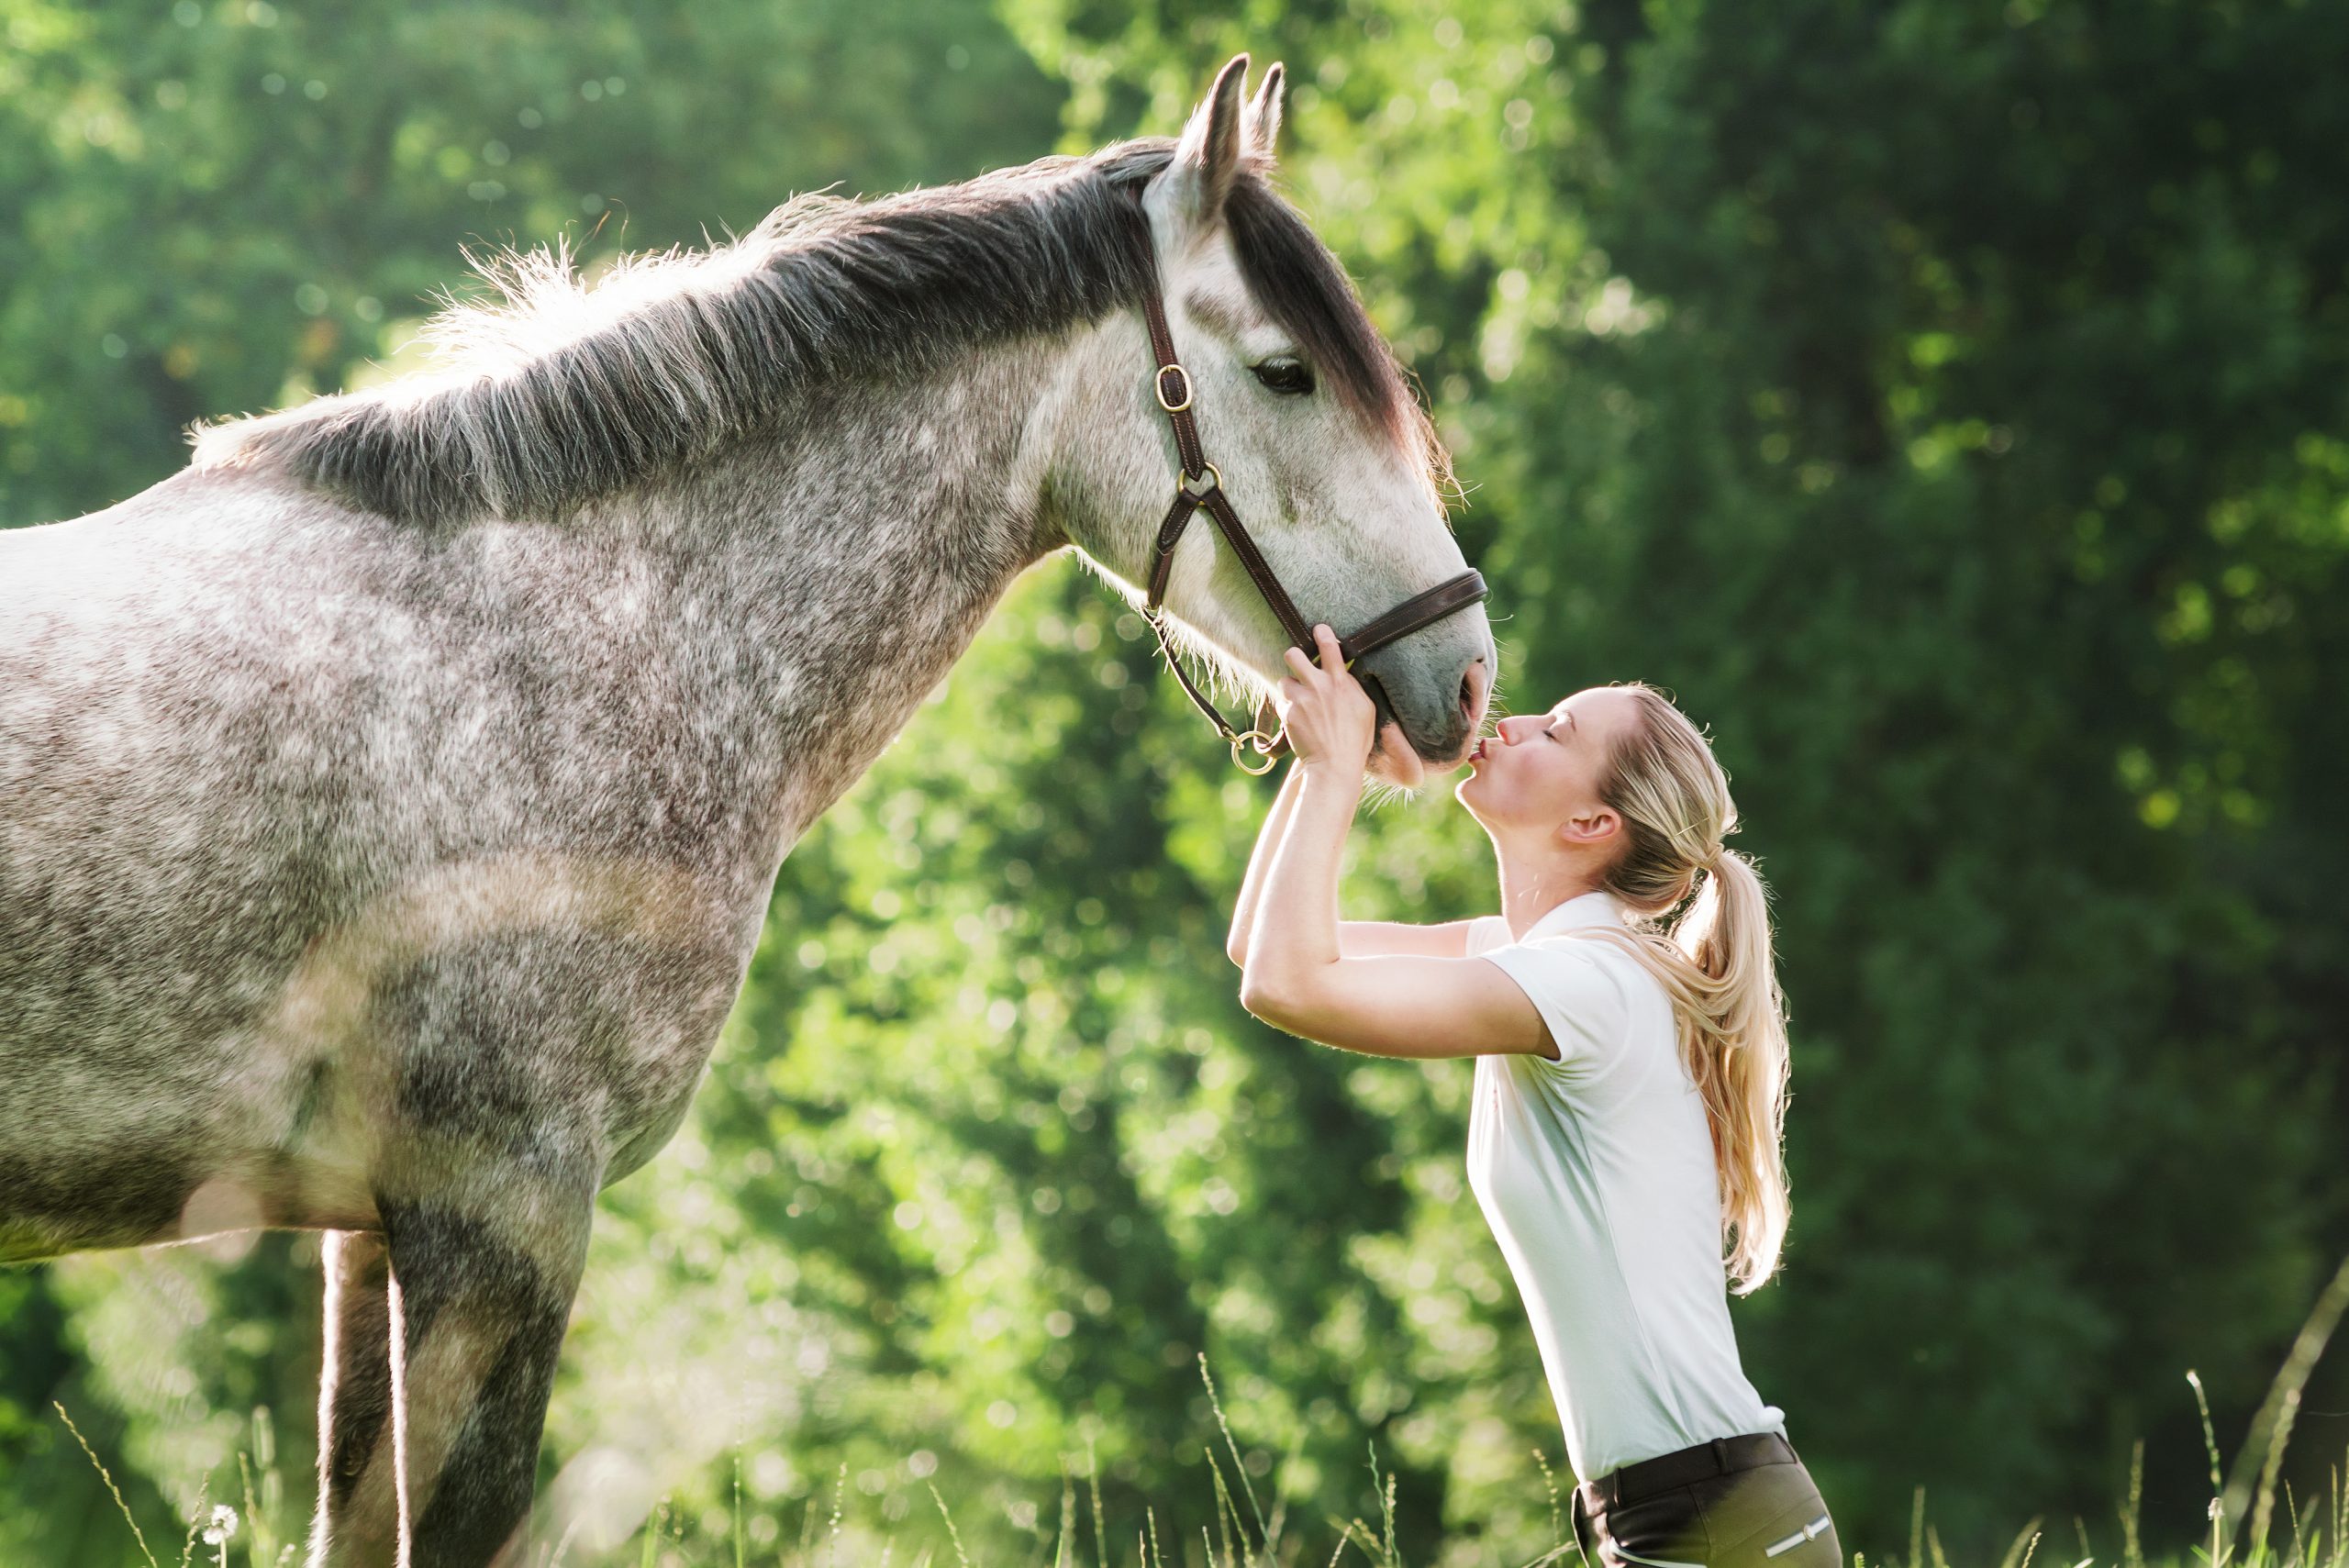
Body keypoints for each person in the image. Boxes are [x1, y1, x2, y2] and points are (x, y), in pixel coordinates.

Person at [1227, 625, 1839, 1568]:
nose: (1509, 724)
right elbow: (1263, 945)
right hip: (1701, 1507)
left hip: (1711, 1516)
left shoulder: (1587, 983)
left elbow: (1287, 984)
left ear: (1591, 826)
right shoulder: (1543, 963)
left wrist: (1335, 766)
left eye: (1555, 731)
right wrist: (1319, 760)